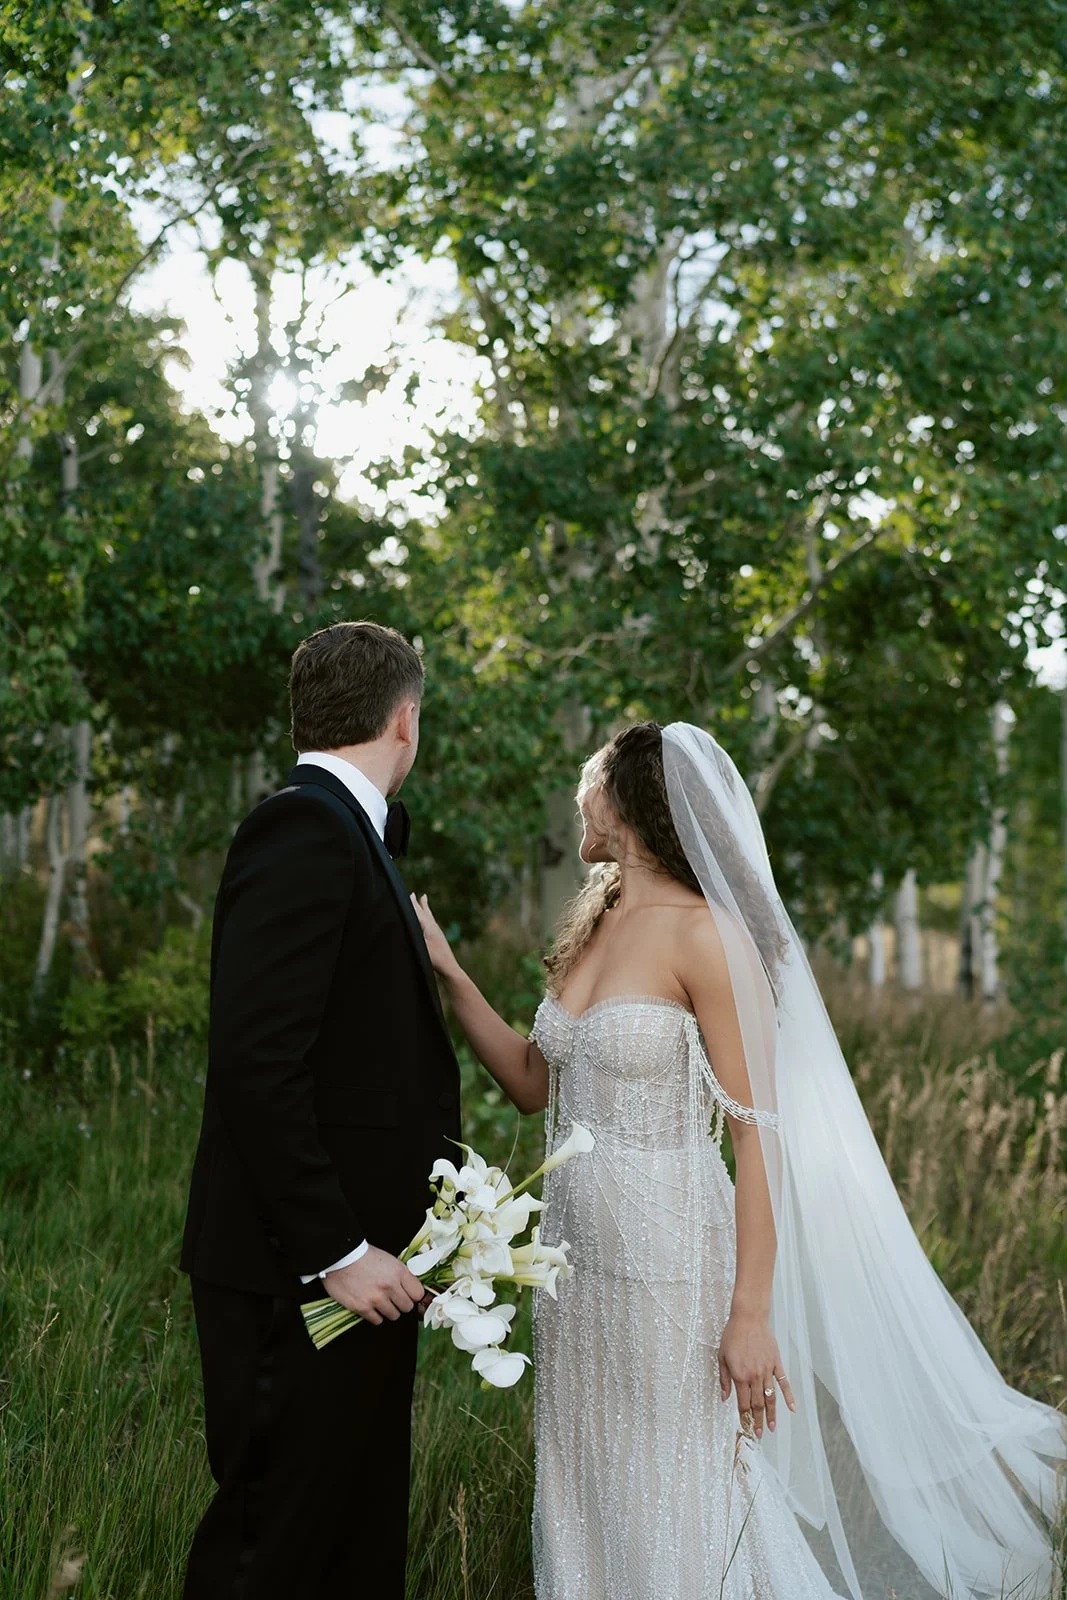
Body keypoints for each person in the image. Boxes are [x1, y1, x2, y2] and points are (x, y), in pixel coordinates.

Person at [412, 720, 1065, 1600]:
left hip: (672, 1261)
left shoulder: (709, 937)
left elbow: (758, 1132)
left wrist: (749, 1315)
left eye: (593, 776)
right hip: (575, 1267)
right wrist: (452, 974)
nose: (580, 787)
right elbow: (533, 1082)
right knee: (586, 1476)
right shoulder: (598, 920)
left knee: (678, 1484)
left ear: (635, 802)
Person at [180, 621, 460, 1599]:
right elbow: (258, 1062)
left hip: (361, 1278)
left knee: (347, 1544)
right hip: (298, 1277)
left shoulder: (351, 830)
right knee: (273, 1549)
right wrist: (335, 1251)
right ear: (404, 720)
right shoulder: (301, 826)